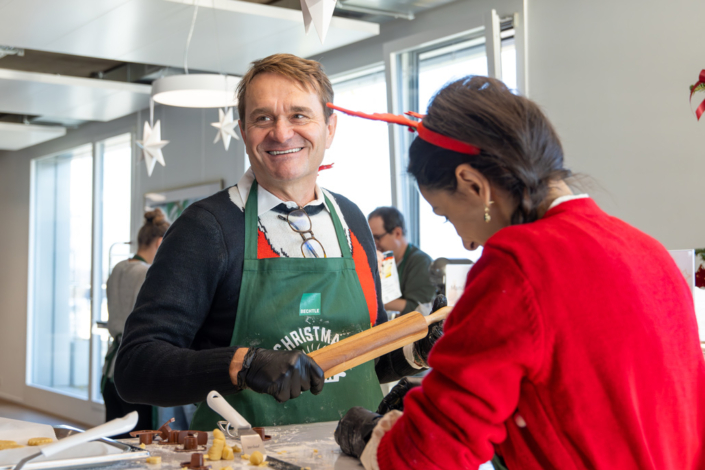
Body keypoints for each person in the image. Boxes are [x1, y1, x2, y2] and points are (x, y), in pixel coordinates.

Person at [333, 76, 705, 469]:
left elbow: (426, 458)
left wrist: (373, 435)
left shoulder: (519, 264)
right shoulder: (647, 249)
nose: (467, 244)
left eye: (446, 216)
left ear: (473, 184)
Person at [114, 54, 442, 430]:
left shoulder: (352, 220)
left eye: (299, 115)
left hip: (354, 456)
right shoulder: (206, 228)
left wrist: (419, 349)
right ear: (243, 130)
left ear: (330, 128)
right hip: (245, 457)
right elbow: (135, 366)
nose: (282, 133)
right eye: (263, 118)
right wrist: (244, 363)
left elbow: (363, 361)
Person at [102, 209, 169, 436]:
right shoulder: (148, 273)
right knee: (140, 439)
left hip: (110, 369)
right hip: (135, 367)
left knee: (114, 436)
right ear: (160, 243)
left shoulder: (118, 268)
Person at [368, 207, 435, 315]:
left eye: (377, 237)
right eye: (371, 239)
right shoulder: (383, 261)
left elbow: (418, 308)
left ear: (397, 233)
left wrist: (373, 300)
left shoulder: (421, 262)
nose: (374, 244)